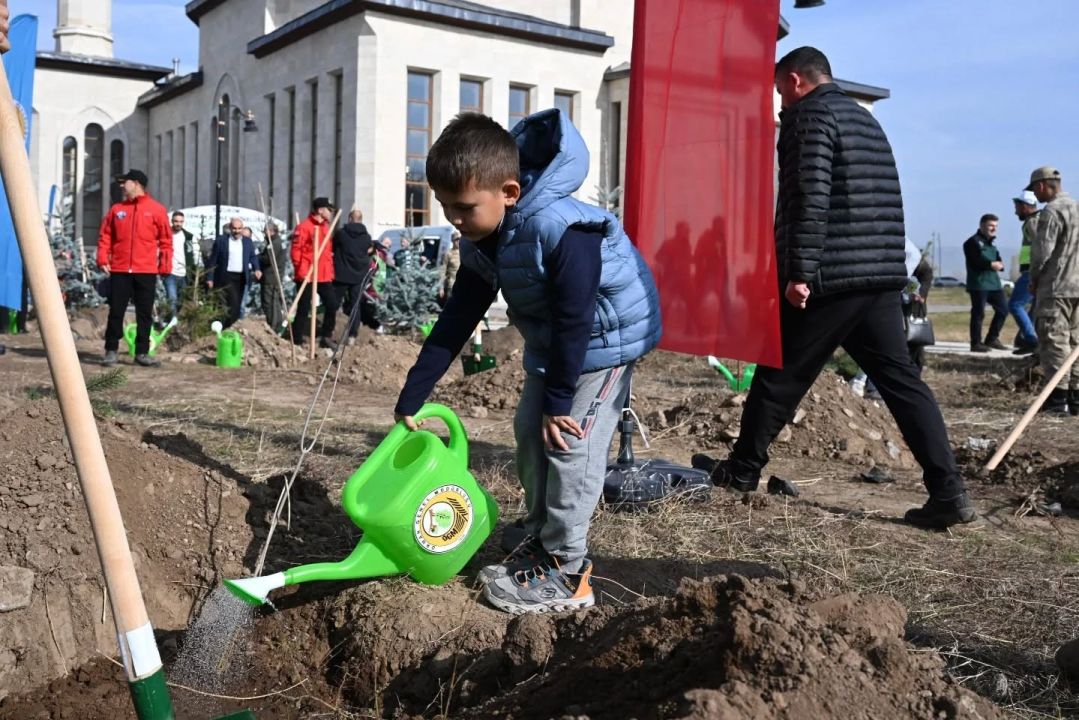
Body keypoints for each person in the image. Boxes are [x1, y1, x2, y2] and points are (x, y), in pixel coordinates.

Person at [394, 111, 662, 614]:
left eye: (464, 207)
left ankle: (567, 569)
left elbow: (577, 315)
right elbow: (456, 320)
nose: (454, 218)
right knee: (527, 431)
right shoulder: (482, 241)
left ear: (510, 192)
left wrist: (560, 400)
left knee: (568, 444)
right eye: (446, 206)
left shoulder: (560, 226)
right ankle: (542, 538)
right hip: (557, 342)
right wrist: (414, 392)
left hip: (607, 339)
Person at [705, 47, 975, 530]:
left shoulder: (808, 118)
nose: (778, 103)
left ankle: (741, 474)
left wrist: (800, 272)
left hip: (830, 277)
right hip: (878, 278)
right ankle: (950, 494)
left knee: (778, 375)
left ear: (794, 81)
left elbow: (809, 195)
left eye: (777, 92)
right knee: (902, 384)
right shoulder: (864, 120)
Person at [97, 170, 172, 367]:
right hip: (120, 269)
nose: (122, 185)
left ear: (137, 184)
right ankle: (111, 350)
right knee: (116, 311)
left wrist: (165, 265)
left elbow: (166, 240)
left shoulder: (156, 210)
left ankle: (142, 353)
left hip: (145, 270)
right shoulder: (117, 210)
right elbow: (106, 236)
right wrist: (102, 257)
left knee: (144, 313)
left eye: (125, 182)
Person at [1027, 166, 1079, 415]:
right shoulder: (1077, 208)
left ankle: (1058, 402)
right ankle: (1076, 399)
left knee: (1055, 342)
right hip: (1077, 286)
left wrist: (1034, 279)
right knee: (1075, 342)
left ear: (1041, 186)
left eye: (1035, 191)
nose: (1035, 196)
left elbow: (1042, 252)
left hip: (1056, 286)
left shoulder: (1052, 211)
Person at [291, 197, 340, 349]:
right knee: (304, 307)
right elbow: (296, 252)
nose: (331, 212)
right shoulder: (304, 227)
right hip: (307, 274)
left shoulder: (326, 227)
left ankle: (326, 335)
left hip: (323, 274)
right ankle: (297, 338)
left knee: (332, 304)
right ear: (320, 210)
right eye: (328, 209)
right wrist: (303, 272)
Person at [332, 207, 380, 341]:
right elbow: (369, 251)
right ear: (361, 220)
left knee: (333, 303)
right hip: (359, 275)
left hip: (341, 274)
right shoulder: (366, 238)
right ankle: (352, 334)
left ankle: (328, 331)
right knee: (355, 304)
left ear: (349, 219)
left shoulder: (341, 234)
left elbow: (333, 247)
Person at [964, 214, 1008, 352]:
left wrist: (1000, 265)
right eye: (990, 225)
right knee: (979, 313)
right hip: (979, 284)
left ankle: (992, 338)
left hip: (994, 283)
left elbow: (998, 258)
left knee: (1003, 310)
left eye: (995, 226)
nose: (993, 229)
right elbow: (975, 261)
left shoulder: (992, 243)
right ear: (982, 226)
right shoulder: (972, 242)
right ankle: (976, 343)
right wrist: (990, 264)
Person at [208, 218, 262, 327]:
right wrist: (210, 277)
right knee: (230, 303)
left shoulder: (247, 242)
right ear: (230, 228)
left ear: (242, 228)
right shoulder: (222, 241)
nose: (236, 231)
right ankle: (226, 326)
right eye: (234, 228)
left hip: (241, 277)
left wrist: (257, 268)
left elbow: (252, 256)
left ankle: (229, 326)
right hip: (226, 276)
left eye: (239, 228)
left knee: (236, 305)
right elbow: (213, 260)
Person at [1009, 191, 1041, 354]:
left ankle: (1031, 339)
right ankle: (1028, 339)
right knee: (1034, 308)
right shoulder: (1035, 220)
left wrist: (1035, 273)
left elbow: (1041, 246)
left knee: (1015, 304)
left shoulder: (1032, 222)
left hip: (1032, 271)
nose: (1015, 212)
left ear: (1025, 206)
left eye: (1017, 207)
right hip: (1035, 270)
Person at [161, 211, 200, 319]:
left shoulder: (188, 237)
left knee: (181, 300)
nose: (178, 224)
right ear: (172, 221)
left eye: (181, 222)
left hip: (184, 273)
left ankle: (174, 317)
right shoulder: (166, 235)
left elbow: (194, 253)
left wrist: (195, 268)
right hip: (170, 272)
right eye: (176, 221)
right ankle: (173, 322)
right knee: (172, 298)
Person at [258, 222, 288, 331]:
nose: (264, 234)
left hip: (271, 277)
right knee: (274, 301)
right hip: (276, 276)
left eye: (265, 231)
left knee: (269, 302)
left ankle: (273, 325)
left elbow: (268, 259)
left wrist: (257, 257)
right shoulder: (278, 242)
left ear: (271, 231)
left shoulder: (274, 243)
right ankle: (276, 323)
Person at [439, 230, 462, 305]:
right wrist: (441, 287)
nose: (458, 241)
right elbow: (442, 271)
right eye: (456, 239)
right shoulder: (448, 254)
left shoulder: (465, 252)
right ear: (452, 241)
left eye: (460, 239)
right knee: (452, 306)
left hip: (464, 284)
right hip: (452, 285)